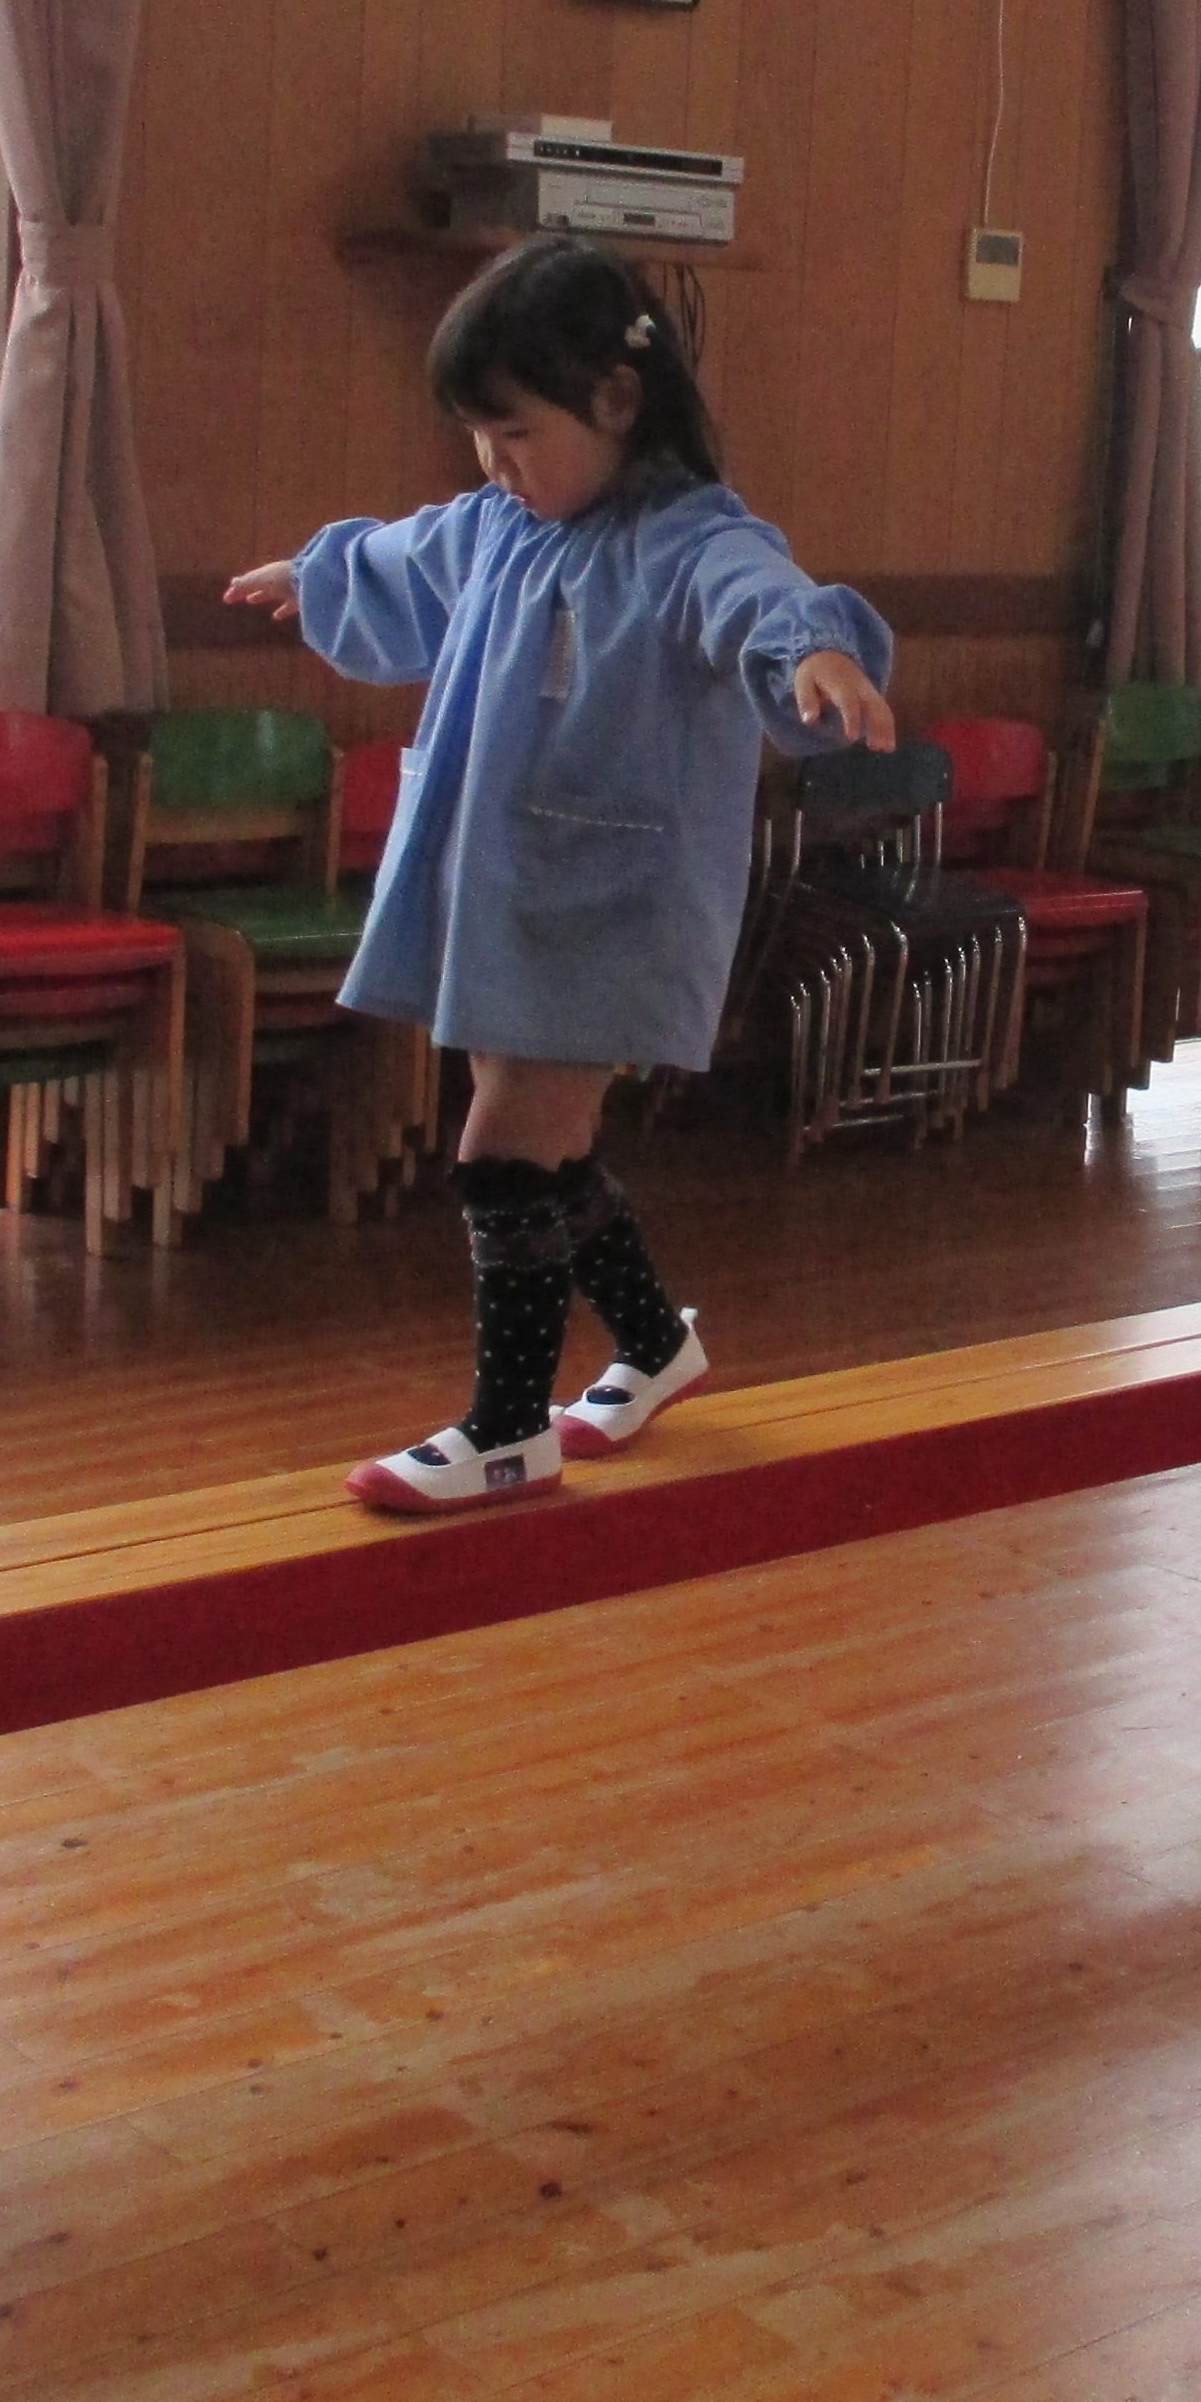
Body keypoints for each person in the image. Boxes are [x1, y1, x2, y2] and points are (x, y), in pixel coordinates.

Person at [226, 236, 894, 1513]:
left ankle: (507, 1428)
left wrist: (815, 650)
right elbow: (402, 557)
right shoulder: (496, 526)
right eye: (479, 437)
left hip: (608, 904)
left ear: (616, 401)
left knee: (504, 1152)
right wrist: (316, 574)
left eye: (516, 433)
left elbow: (761, 593)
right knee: (544, 1137)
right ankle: (652, 1345)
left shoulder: (686, 538)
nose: (495, 465)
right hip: (507, 889)